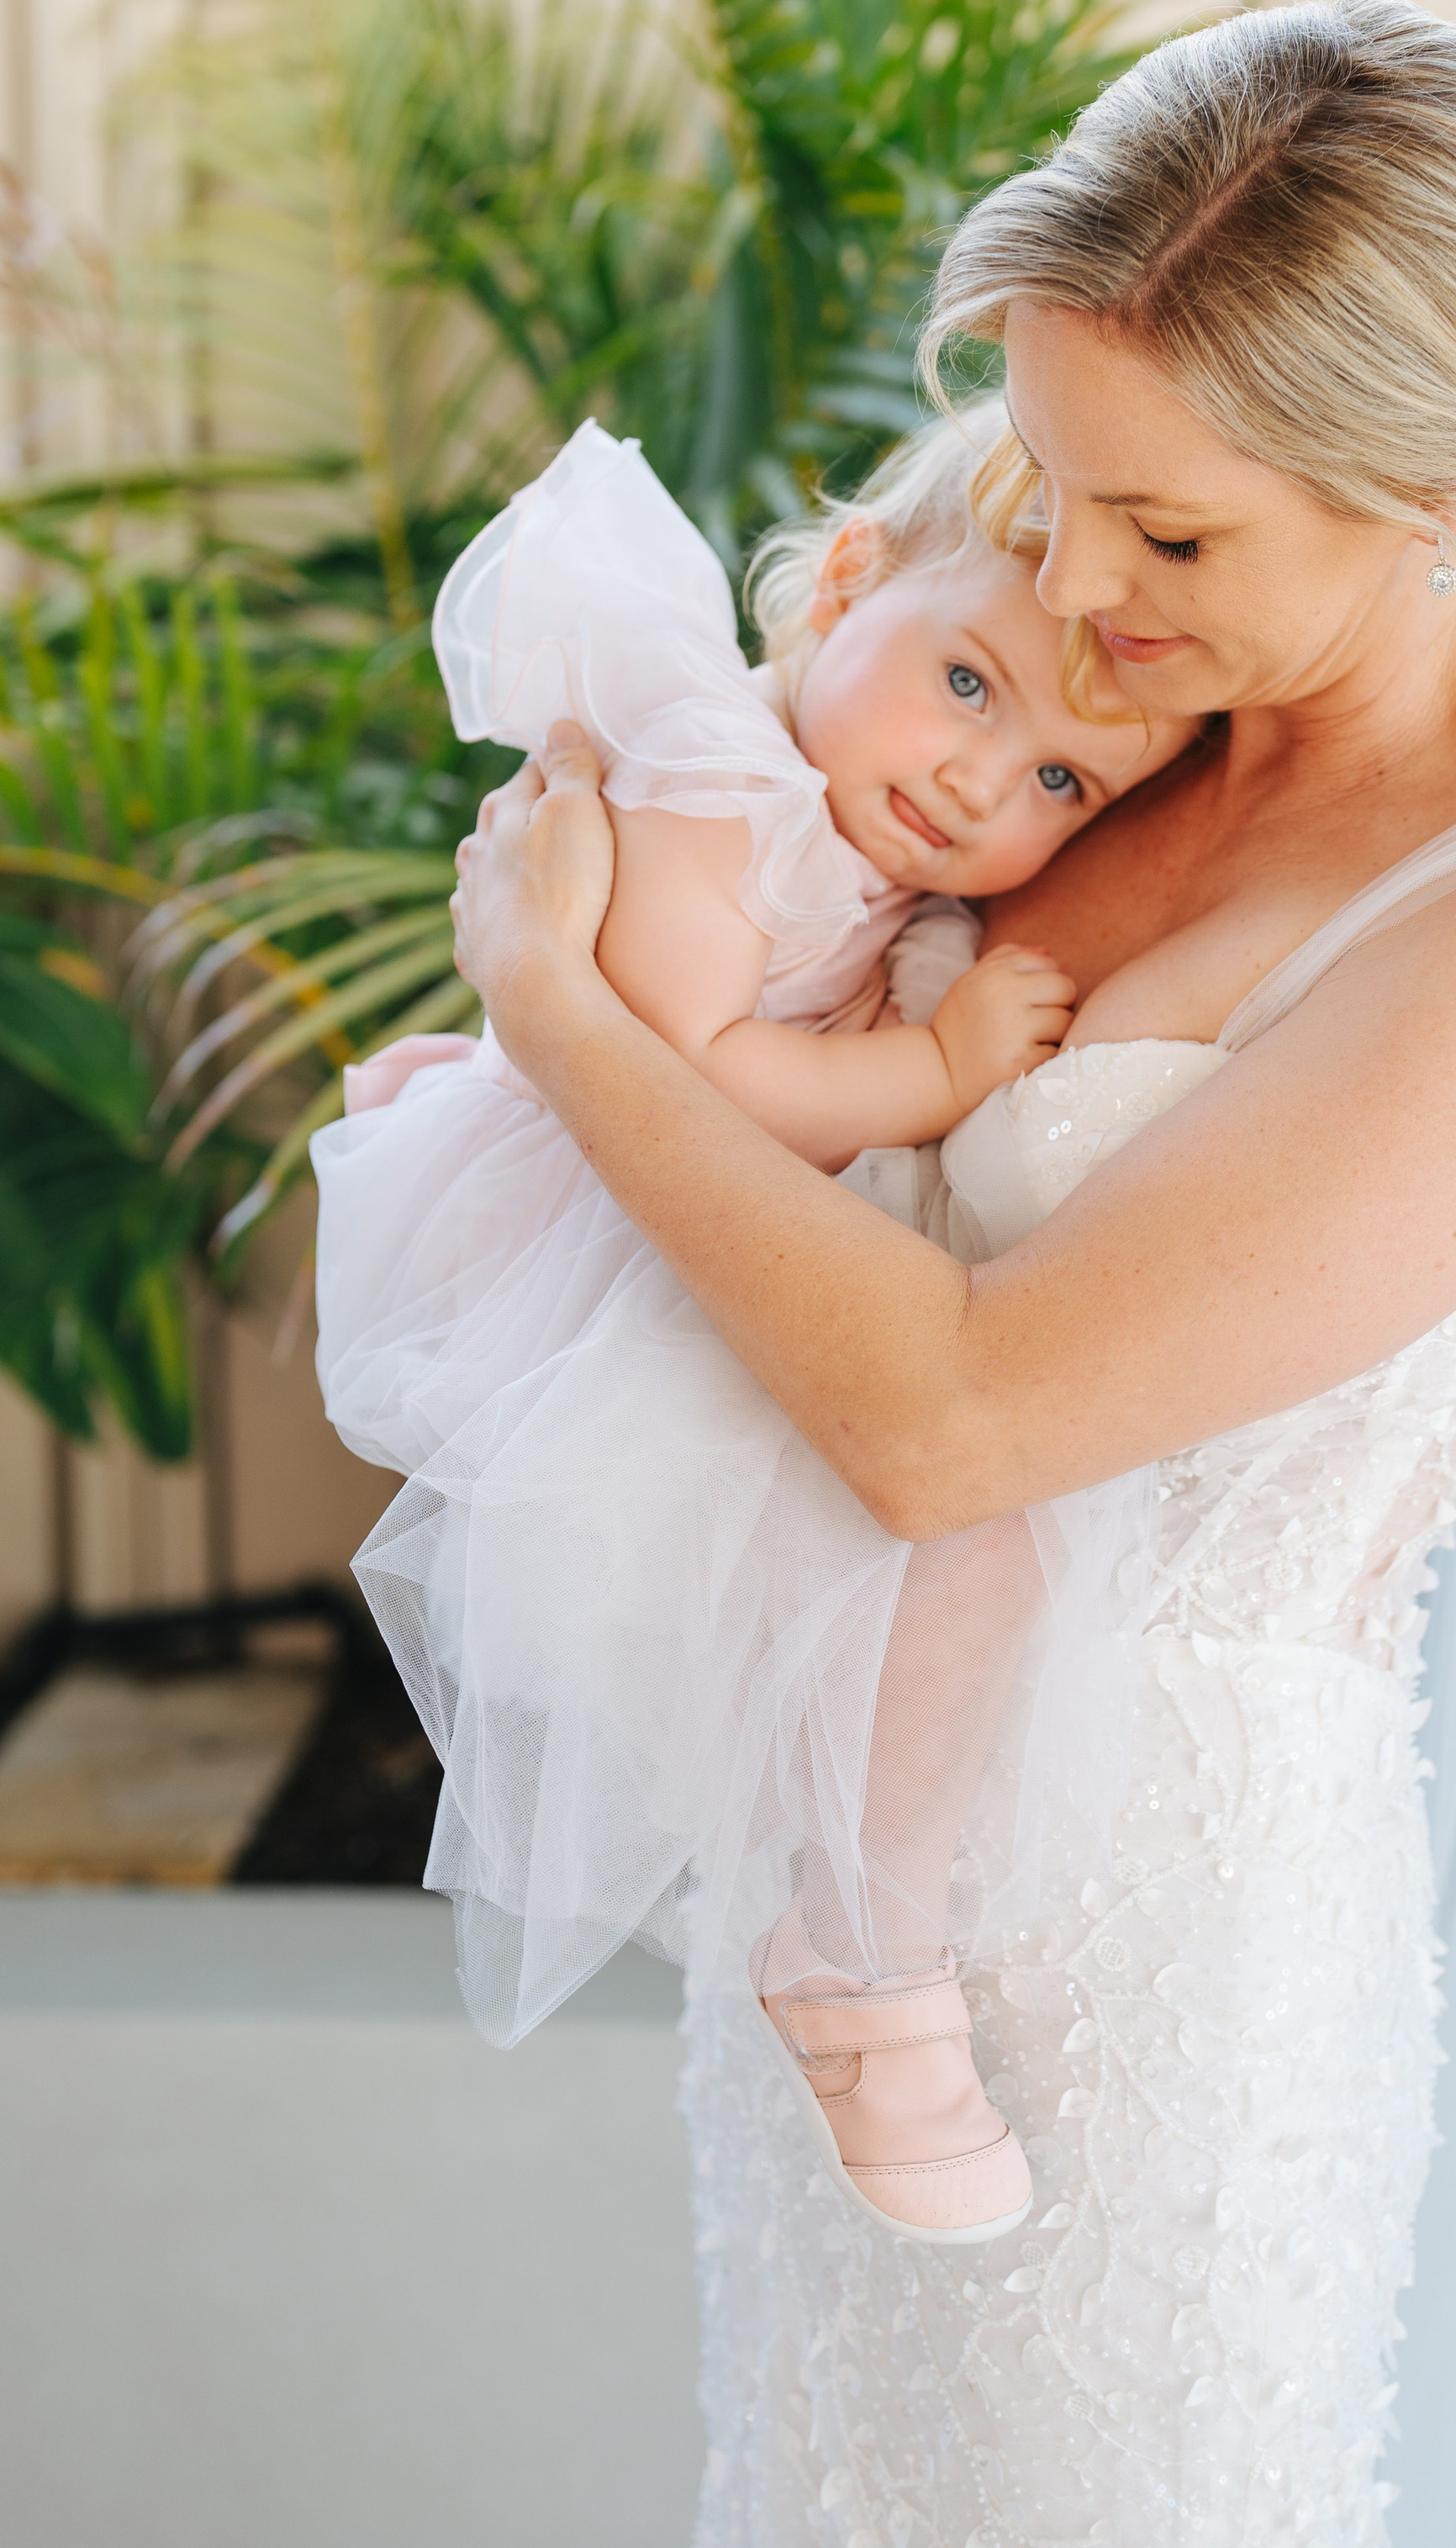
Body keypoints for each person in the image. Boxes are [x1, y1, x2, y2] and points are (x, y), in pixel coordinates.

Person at [440, 0, 1456, 2545]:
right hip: (855, 1879)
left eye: (1169, 536)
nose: (1075, 588)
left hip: (1160, 1990)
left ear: (1430, 488)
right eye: (1058, 489)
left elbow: (950, 1414)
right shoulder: (1091, 709)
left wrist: (544, 1004)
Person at [314, 405, 1196, 2236]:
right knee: (916, 1524)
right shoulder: (721, 787)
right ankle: (856, 1949)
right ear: (848, 580)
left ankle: (858, 1932)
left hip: (693, 1219)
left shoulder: (857, 835)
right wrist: (934, 1064)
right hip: (605, 1232)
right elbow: (693, 1079)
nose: (982, 786)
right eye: (967, 685)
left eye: (1059, 786)